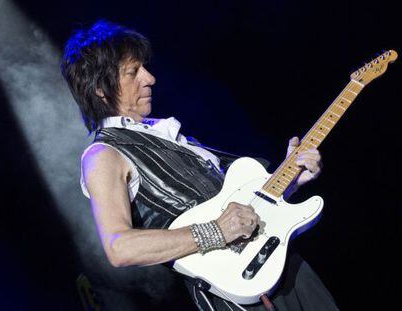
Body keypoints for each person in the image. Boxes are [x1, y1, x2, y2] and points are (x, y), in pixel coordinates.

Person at [61, 20, 339, 310]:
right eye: (133, 72)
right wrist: (216, 231)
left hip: (285, 265)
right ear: (100, 90)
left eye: (144, 67)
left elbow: (243, 210)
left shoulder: (169, 135)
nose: (150, 78)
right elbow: (120, 247)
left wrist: (292, 180)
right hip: (238, 294)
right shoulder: (102, 155)